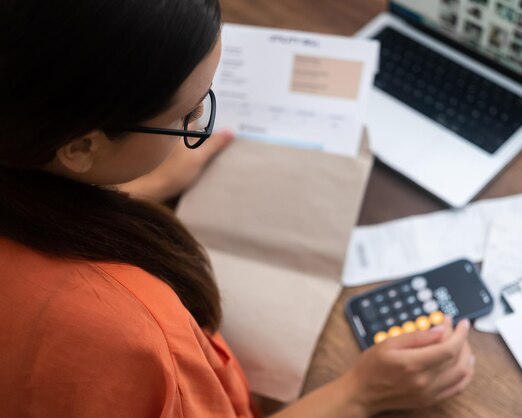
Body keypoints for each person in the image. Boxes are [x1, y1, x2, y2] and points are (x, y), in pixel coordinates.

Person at [0, 1, 474, 417]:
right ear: (81, 146)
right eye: (186, 117)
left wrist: (146, 180)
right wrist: (362, 394)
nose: (201, 123)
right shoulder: (136, 332)